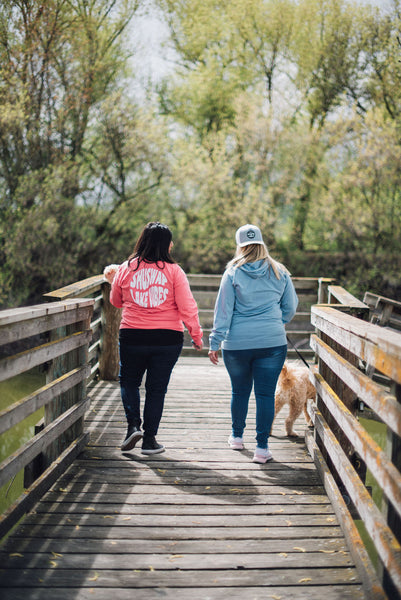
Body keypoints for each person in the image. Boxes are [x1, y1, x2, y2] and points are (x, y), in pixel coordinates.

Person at [104, 222, 203, 455]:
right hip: (167, 338)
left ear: (142, 242)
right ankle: (149, 441)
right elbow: (188, 307)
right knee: (156, 389)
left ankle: (133, 427)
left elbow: (115, 302)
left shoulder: (126, 268)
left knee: (129, 381)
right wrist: (197, 336)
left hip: (132, 334)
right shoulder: (175, 271)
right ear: (166, 245)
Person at [208, 224, 298, 464]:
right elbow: (290, 307)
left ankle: (237, 437)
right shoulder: (280, 271)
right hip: (272, 342)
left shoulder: (232, 273)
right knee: (266, 394)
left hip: (237, 344)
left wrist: (214, 342)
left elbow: (223, 311)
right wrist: (276, 322)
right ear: (261, 243)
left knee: (240, 391)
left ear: (240, 245)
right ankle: (262, 449)